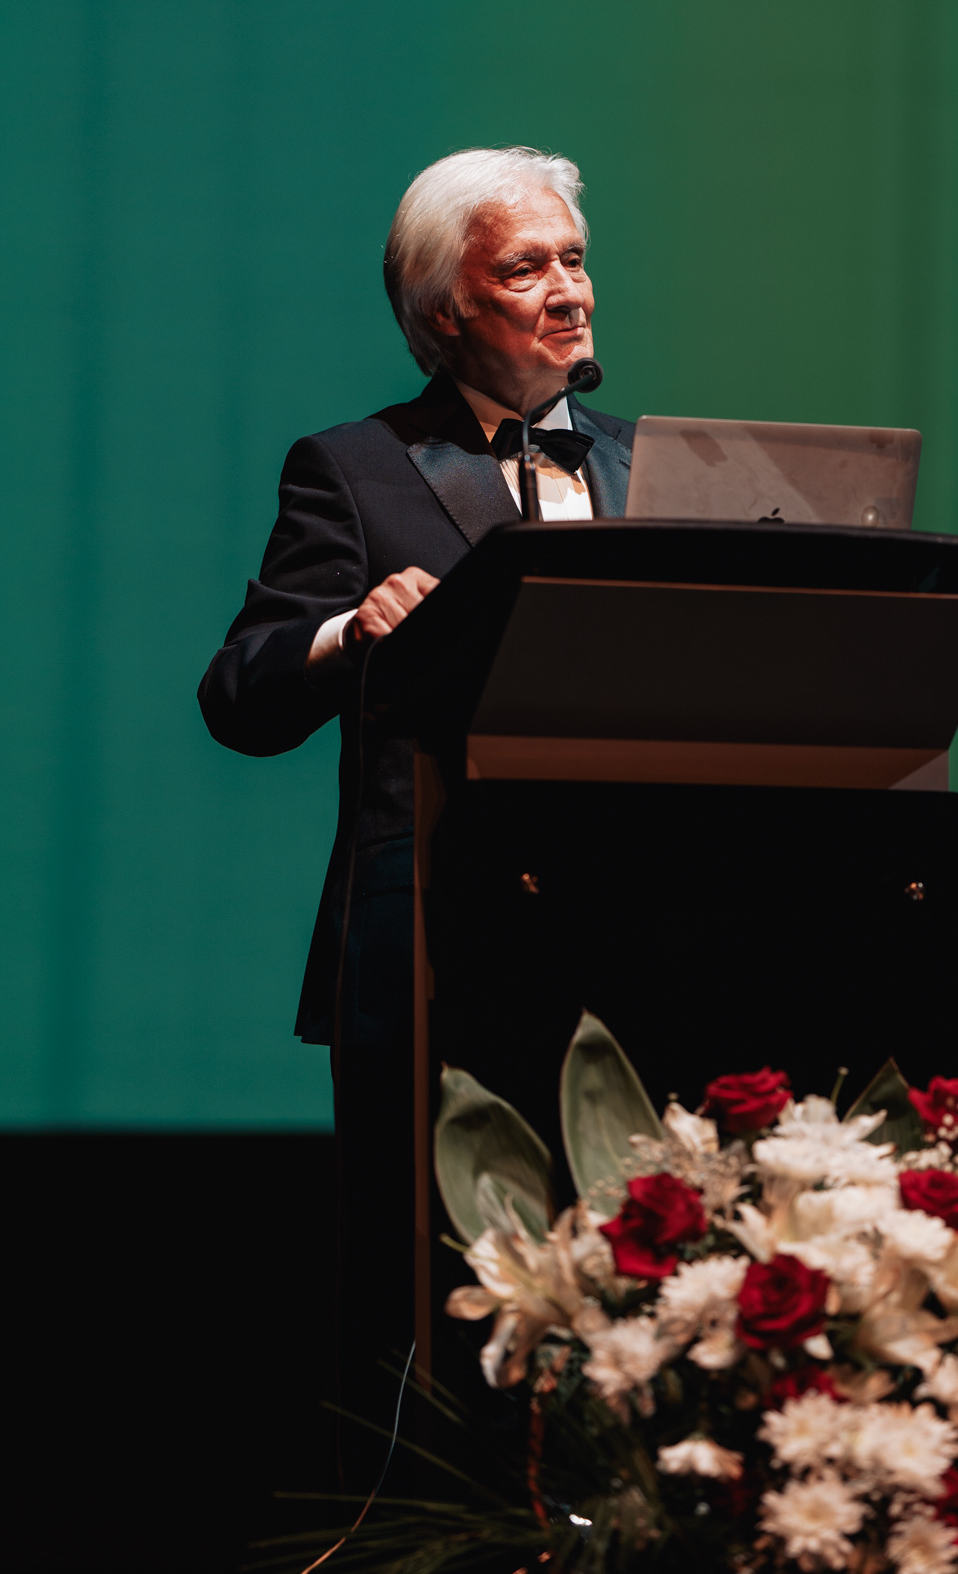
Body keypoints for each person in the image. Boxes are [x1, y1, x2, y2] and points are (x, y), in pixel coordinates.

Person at [198, 146, 634, 1469]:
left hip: (643, 927)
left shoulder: (653, 466)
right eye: (527, 268)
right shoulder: (355, 467)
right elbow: (242, 692)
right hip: (439, 940)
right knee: (434, 1307)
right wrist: (350, 630)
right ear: (445, 307)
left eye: (575, 260)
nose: (568, 290)